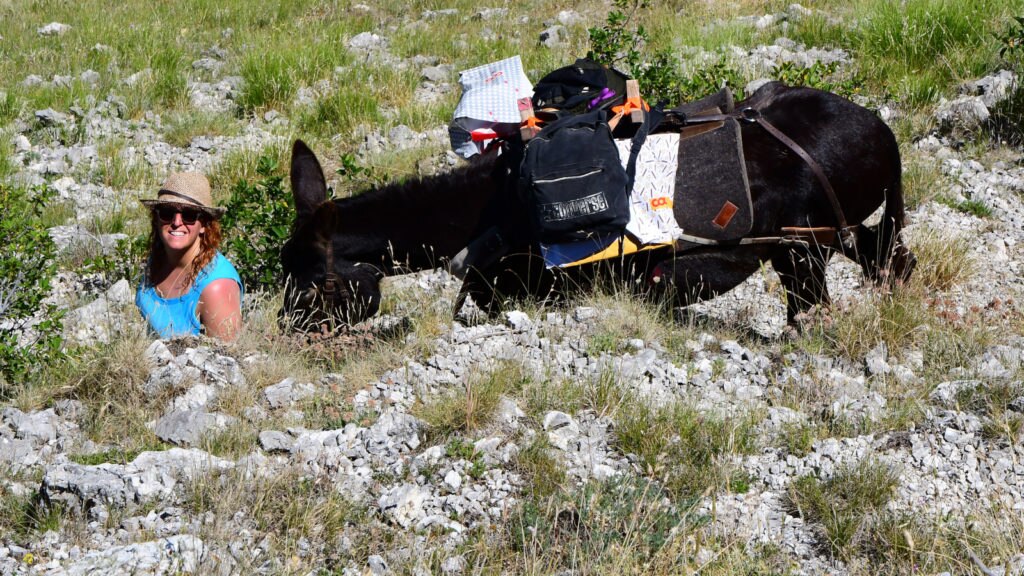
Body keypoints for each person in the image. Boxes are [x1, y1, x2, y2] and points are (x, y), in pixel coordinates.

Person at [136, 172, 243, 341]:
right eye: (166, 212)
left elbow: (226, 361)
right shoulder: (157, 259)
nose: (177, 222)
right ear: (156, 219)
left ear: (204, 225)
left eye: (189, 215)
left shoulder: (217, 287)